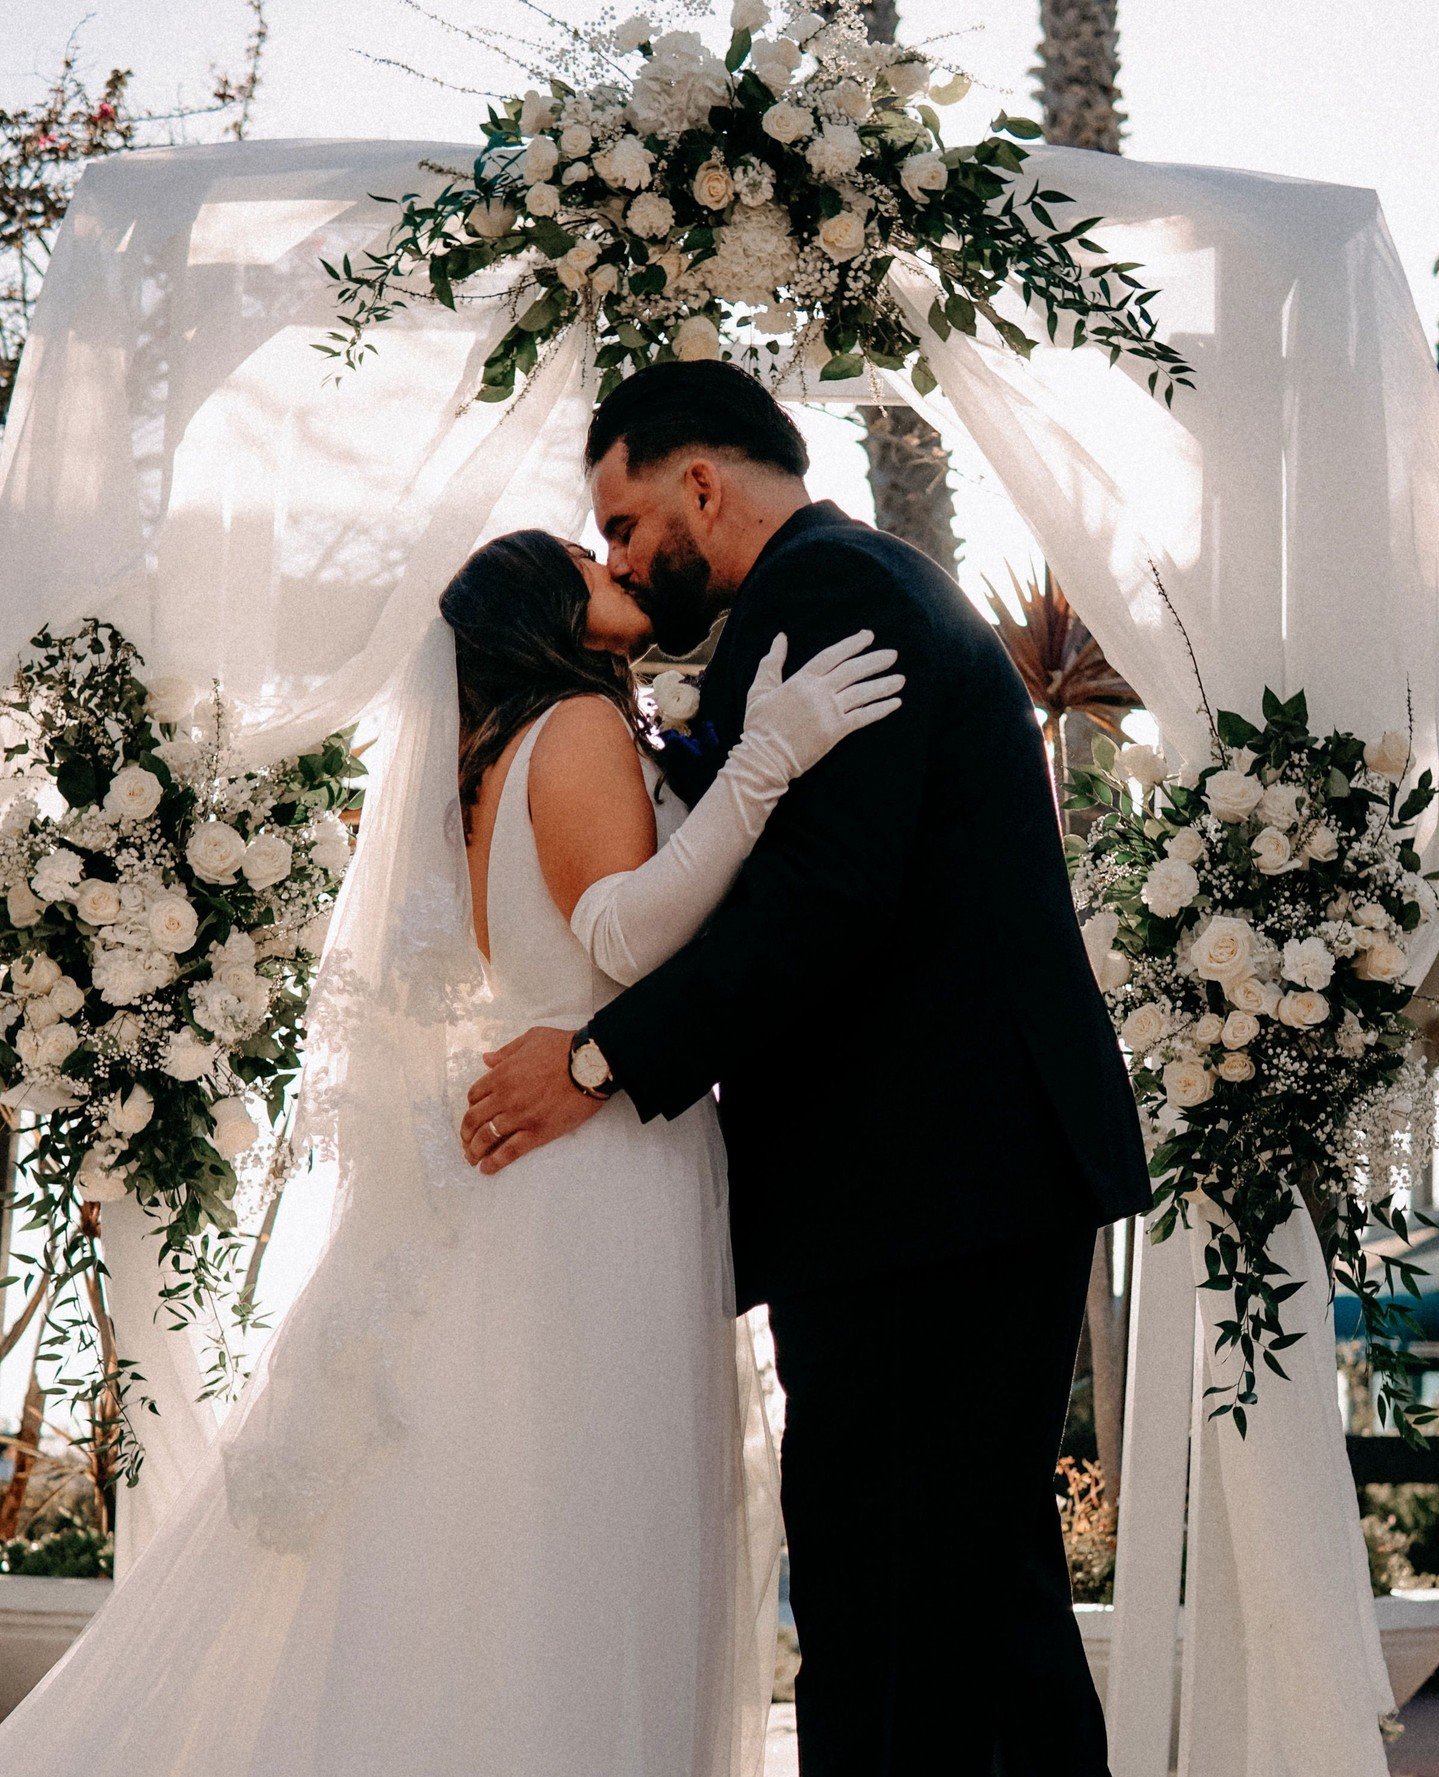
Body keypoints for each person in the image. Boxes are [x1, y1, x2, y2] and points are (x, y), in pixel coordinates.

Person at [0, 524, 901, 1776]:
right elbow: (623, 937)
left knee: (522, 1513)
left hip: (552, 1152)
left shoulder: (499, 749)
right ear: (544, 607)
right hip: (596, 1162)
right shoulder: (575, 725)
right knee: (590, 1515)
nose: (614, 564)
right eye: (585, 558)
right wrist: (765, 763)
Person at [461, 360, 1154, 1776]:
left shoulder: (829, 591)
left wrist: (596, 1058)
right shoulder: (845, 583)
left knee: (898, 1595)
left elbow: (824, 896)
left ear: (699, 486)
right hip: (940, 1178)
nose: (616, 559)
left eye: (621, 524)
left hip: (928, 1178)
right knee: (955, 1594)